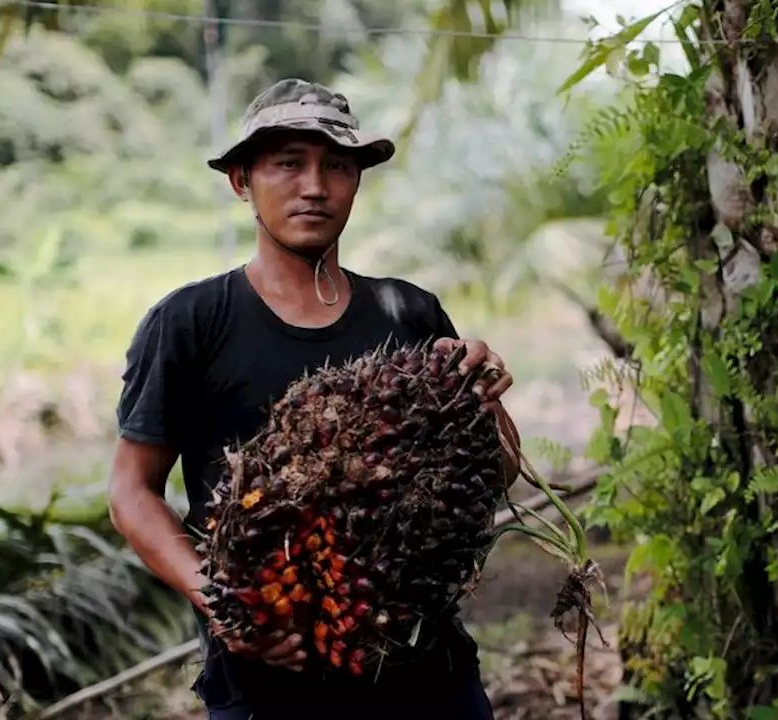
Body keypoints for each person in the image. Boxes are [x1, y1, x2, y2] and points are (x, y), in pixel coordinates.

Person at [107, 78, 522, 719]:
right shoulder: (192, 321)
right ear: (241, 181)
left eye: (337, 166)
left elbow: (493, 473)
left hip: (424, 672)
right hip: (267, 682)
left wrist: (483, 394)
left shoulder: (409, 311)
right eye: (288, 164)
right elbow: (132, 491)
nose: (314, 186)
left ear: (357, 182)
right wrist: (225, 607)